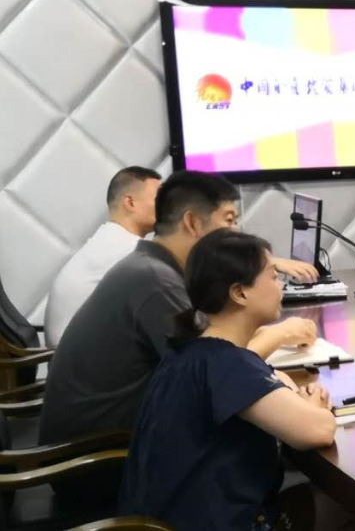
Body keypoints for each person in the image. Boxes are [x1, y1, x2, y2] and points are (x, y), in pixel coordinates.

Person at [39, 171, 319, 503]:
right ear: (192, 223)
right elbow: (215, 366)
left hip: (113, 446)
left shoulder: (150, 266)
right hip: (98, 462)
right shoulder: (155, 281)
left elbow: (212, 350)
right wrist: (280, 336)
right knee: (288, 466)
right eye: (229, 220)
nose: (236, 233)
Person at [119, 229, 336, 531]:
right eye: (273, 277)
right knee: (341, 510)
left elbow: (266, 378)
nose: (280, 287)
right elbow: (318, 431)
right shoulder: (225, 363)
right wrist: (314, 406)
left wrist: (285, 388)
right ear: (239, 293)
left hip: (158, 520)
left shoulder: (189, 350)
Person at [44, 167, 162, 346]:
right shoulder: (129, 249)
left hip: (71, 353)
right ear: (130, 203)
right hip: (81, 357)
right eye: (159, 199)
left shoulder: (109, 239)